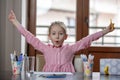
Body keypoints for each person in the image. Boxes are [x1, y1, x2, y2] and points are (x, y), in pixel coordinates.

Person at [8, 10, 114, 72]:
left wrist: (105, 31)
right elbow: (29, 36)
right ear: (49, 36)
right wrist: (15, 22)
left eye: (60, 33)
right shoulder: (45, 48)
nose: (57, 36)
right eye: (54, 34)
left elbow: (88, 39)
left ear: (66, 36)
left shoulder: (70, 48)